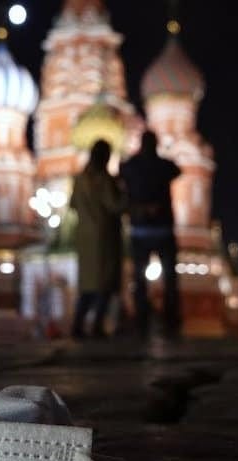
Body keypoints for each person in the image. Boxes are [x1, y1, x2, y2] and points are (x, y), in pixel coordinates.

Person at [120, 131, 182, 339]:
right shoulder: (164, 166)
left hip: (139, 229)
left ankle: (141, 320)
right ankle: (171, 320)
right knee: (170, 278)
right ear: (155, 144)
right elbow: (177, 171)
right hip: (164, 228)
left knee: (139, 278)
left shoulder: (130, 166)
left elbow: (122, 175)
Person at [70, 140, 125, 339]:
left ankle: (77, 324)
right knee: (104, 284)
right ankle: (96, 326)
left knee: (87, 286)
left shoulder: (79, 178)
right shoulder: (104, 179)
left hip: (84, 236)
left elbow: (72, 204)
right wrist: (125, 190)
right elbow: (115, 205)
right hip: (104, 237)